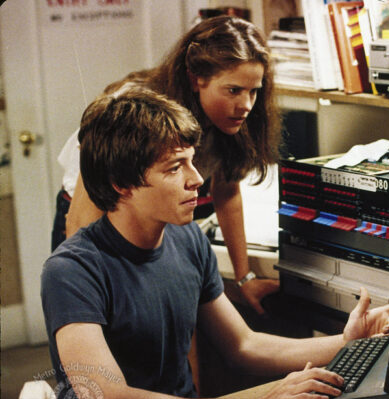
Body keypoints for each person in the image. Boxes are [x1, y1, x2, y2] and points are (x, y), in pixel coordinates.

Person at [41, 89, 389, 399]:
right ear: (122, 184)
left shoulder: (188, 240)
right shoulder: (72, 271)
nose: (196, 178)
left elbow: (244, 346)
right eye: (174, 168)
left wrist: (348, 341)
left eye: (192, 161)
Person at [52, 15, 280, 314]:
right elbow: (81, 220)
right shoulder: (133, 108)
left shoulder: (230, 119)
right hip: (96, 220)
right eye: (234, 90)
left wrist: (243, 278)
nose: (247, 105)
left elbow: (227, 194)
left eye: (254, 91)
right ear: (197, 79)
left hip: (152, 223)